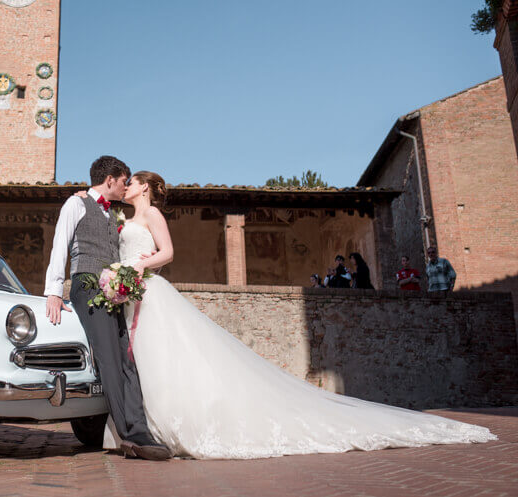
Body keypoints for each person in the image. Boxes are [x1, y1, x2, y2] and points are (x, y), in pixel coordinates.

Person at [102, 170, 494, 459]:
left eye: (134, 181)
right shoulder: (125, 220)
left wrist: (137, 267)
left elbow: (168, 253)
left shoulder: (153, 216)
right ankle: (140, 429)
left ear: (147, 188)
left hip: (148, 289)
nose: (129, 186)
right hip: (130, 293)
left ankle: (160, 429)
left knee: (159, 356)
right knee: (138, 359)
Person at [43, 156, 171, 461]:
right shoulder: (76, 204)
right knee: (110, 359)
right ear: (110, 179)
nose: (126, 186)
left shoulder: (113, 215)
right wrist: (53, 290)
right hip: (87, 285)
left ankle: (139, 429)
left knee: (127, 358)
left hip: (113, 290)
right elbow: (60, 245)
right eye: (124, 180)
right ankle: (128, 435)